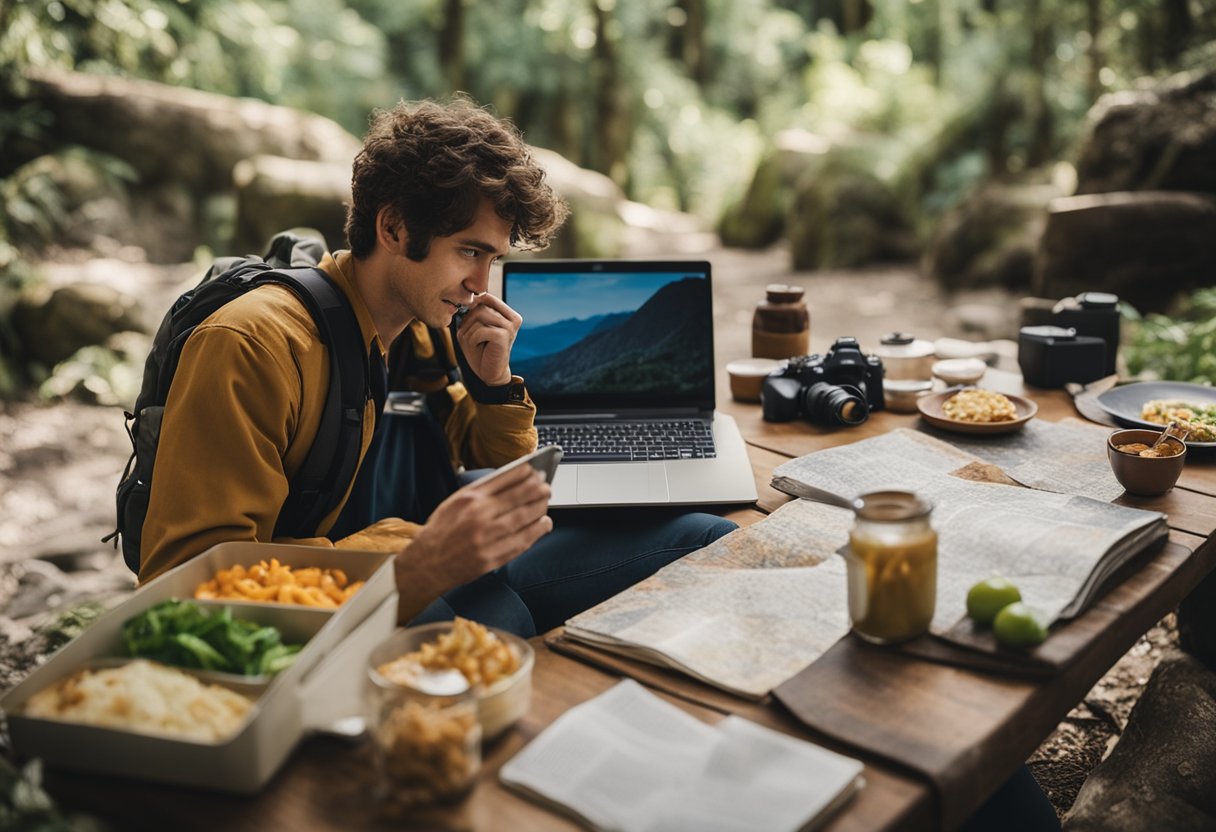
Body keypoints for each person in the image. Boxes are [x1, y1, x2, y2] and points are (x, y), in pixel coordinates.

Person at [138, 97, 736, 634]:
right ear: (394, 227)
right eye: (469, 252)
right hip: (327, 602)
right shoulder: (255, 345)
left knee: (712, 538)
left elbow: (493, 464)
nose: (482, 285)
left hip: (408, 556)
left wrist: (494, 387)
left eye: (494, 258)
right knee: (499, 621)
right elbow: (186, 579)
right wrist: (417, 555)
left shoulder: (420, 329)